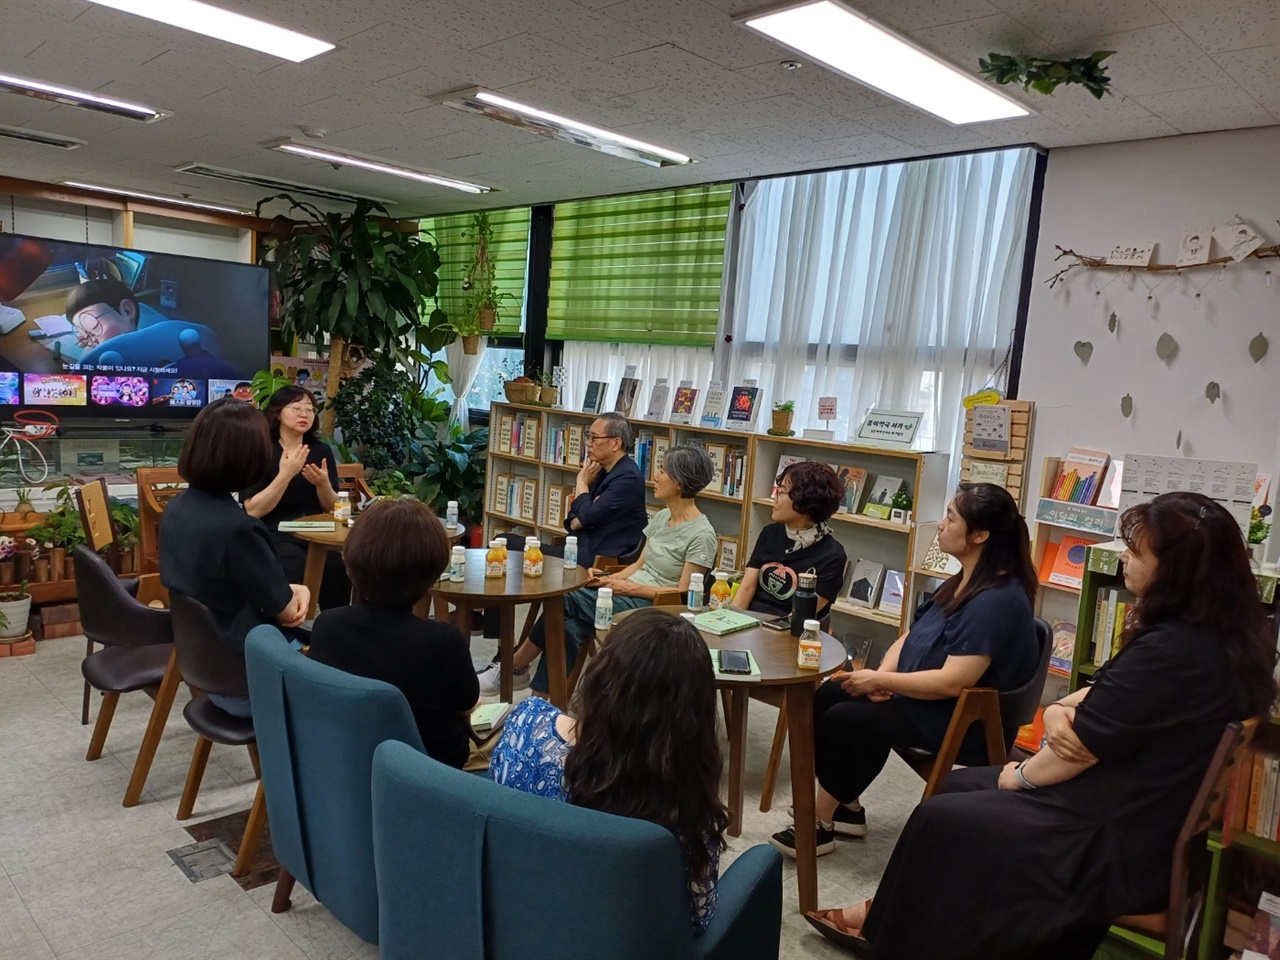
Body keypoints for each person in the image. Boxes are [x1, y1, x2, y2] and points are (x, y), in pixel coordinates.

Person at [805, 492, 1277, 960]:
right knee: (954, 787)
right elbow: (1097, 696)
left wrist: (1021, 775)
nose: (1124, 562)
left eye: (1135, 553)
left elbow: (1078, 749)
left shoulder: (1170, 650)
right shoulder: (1229, 637)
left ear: (1177, 571)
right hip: (1143, 805)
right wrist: (1056, 712)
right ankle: (893, 920)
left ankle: (896, 935)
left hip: (1118, 835)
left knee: (942, 817)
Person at [770, 482, 1038, 857]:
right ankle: (847, 808)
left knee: (851, 719)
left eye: (950, 518)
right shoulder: (963, 580)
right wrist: (882, 676)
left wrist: (880, 681)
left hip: (962, 718)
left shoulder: (997, 600)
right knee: (833, 693)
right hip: (920, 698)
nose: (941, 525)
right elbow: (912, 636)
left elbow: (953, 682)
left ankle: (820, 823)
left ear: (980, 535)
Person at [488, 607, 729, 934]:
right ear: (694, 717)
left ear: (601, 675)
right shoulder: (683, 806)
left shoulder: (525, 724)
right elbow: (698, 918)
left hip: (511, 926)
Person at [479, 445, 717, 698]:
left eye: (662, 471)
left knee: (560, 597)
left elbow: (683, 592)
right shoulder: (661, 518)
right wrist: (607, 579)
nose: (655, 477)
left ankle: (513, 668)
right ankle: (541, 702)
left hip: (656, 608)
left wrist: (629, 588)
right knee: (567, 627)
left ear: (679, 482)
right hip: (625, 594)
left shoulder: (702, 534)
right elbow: (638, 565)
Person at [159, 397, 309, 717]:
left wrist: (285, 592)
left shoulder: (177, 509)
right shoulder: (239, 530)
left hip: (202, 669)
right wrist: (302, 590)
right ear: (249, 457)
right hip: (249, 681)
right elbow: (287, 613)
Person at [308, 498, 479, 769]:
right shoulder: (443, 642)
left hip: (347, 762)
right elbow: (467, 702)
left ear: (351, 561)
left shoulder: (327, 626)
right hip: (433, 775)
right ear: (433, 573)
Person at [241, 385, 351, 612]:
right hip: (276, 531)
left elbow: (334, 507)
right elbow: (253, 510)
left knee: (337, 568)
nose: (304, 414)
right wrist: (286, 474)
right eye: (296, 408)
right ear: (277, 412)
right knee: (294, 566)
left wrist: (323, 484)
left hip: (316, 532)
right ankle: (290, 630)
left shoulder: (320, 450)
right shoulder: (262, 449)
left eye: (310, 409)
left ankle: (334, 630)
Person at [732, 460, 847, 620]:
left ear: (805, 501)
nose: (774, 497)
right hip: (749, 623)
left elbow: (800, 616)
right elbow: (746, 589)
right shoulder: (769, 533)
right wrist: (729, 622)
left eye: (782, 492)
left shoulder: (832, 556)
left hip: (788, 632)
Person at [563, 412, 648, 564]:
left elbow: (586, 516)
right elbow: (573, 518)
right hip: (578, 548)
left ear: (616, 443)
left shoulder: (628, 477)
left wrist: (582, 483)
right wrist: (584, 515)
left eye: (594, 438)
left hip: (598, 558)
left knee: (513, 544)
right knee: (511, 542)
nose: (588, 443)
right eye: (588, 437)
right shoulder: (599, 469)